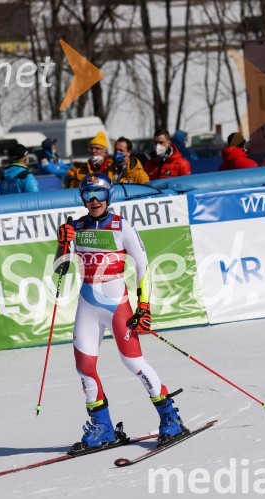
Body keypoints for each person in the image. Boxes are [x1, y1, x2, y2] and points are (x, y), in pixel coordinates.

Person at [55, 173, 187, 451]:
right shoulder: (75, 227)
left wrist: (144, 306)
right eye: (88, 194)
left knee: (133, 363)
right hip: (88, 303)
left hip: (116, 305)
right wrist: (62, 244)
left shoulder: (120, 226)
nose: (93, 200)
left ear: (109, 196)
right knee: (84, 367)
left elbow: (143, 267)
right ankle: (102, 427)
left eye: (99, 195)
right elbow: (60, 270)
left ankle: (170, 418)